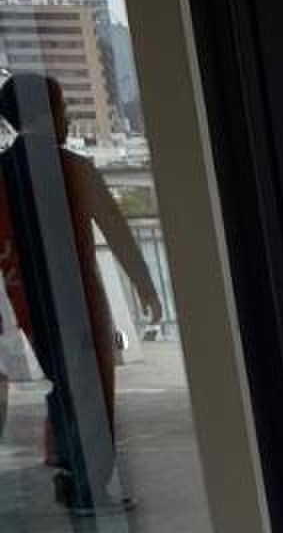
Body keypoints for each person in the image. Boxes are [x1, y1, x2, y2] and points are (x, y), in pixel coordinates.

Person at [0, 70, 163, 510]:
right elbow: (117, 229)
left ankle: (70, 470)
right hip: (79, 300)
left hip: (28, 302)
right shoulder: (73, 168)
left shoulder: (3, 173)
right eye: (64, 110)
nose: (68, 119)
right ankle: (89, 483)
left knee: (63, 384)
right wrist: (146, 285)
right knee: (91, 390)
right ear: (46, 114)